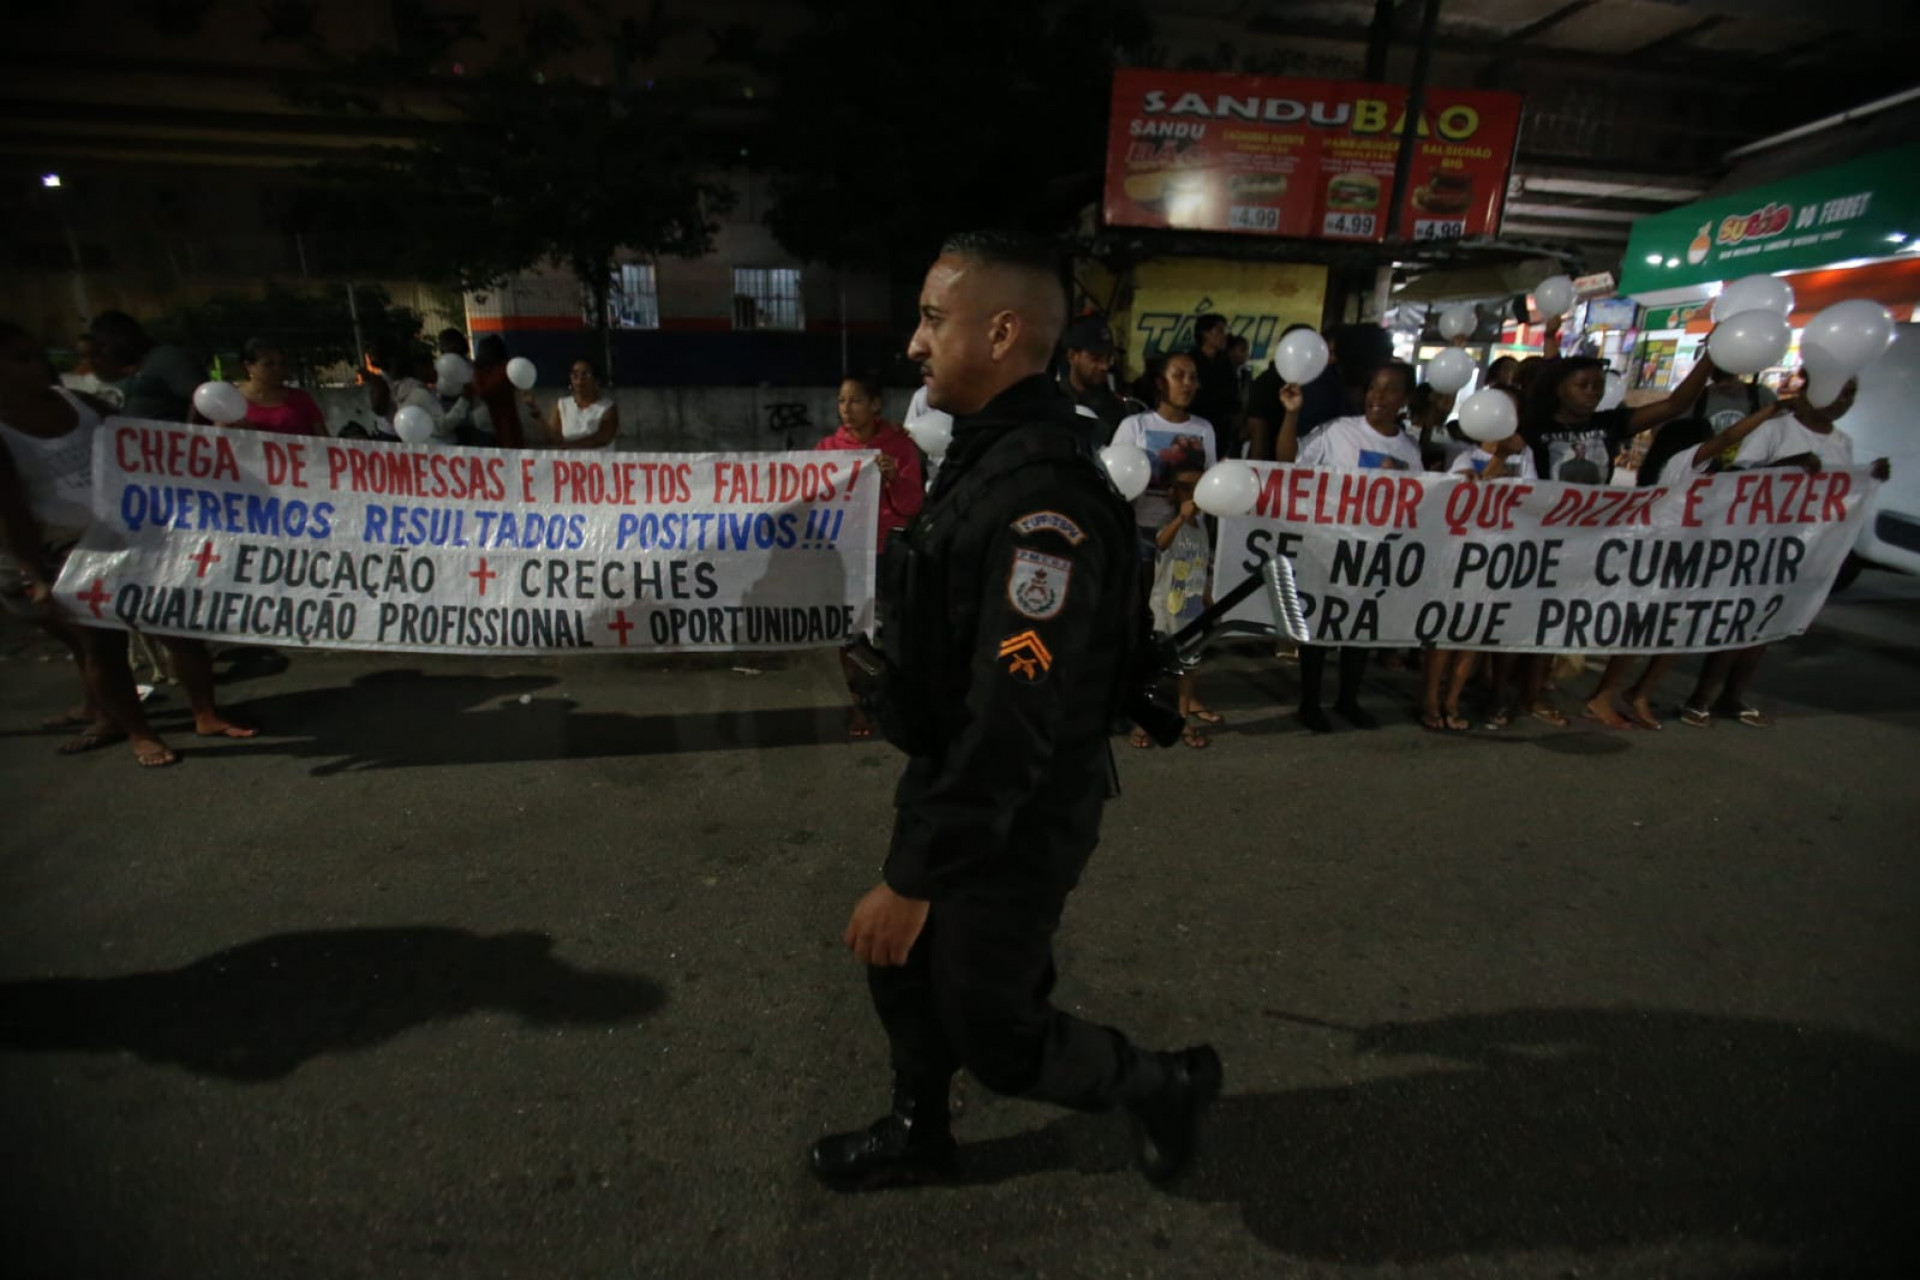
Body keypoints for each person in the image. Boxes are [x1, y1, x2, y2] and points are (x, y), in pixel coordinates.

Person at [811, 229, 1220, 1192]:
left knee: (996, 1029)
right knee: (903, 972)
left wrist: (916, 875)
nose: (913, 344)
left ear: (1000, 333)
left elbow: (1013, 719)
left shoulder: (1044, 499)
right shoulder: (993, 456)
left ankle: (1162, 1085)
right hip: (961, 780)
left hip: (1016, 805)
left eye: (931, 319)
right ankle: (920, 1130)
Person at [0, 323, 254, 766]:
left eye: (36, 354)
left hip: (135, 531)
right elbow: (11, 512)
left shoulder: (77, 403)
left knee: (180, 629)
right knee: (102, 647)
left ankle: (205, 713)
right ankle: (139, 732)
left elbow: (141, 441)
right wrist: (35, 575)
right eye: (20, 359)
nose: (38, 366)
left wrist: (207, 439)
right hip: (73, 549)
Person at [1678, 379, 1890, 729]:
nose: (1844, 401)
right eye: (1839, 389)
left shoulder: (1842, 442)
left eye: (1851, 393)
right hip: (1757, 541)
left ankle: (1732, 697)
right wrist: (1790, 465)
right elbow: (1739, 479)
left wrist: (1869, 478)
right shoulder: (1775, 430)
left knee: (1767, 623)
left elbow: (1835, 491)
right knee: (1737, 621)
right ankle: (1700, 697)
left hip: (1801, 546)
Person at [1521, 353, 1714, 729]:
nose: (1592, 393)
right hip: (1545, 537)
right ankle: (1532, 694)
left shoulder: (1609, 425)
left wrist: (1711, 357)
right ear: (1560, 389)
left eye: (1597, 385)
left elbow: (1675, 404)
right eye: (1583, 385)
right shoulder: (1534, 428)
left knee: (1566, 619)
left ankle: (1544, 688)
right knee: (1542, 621)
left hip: (1594, 538)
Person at [1273, 360, 1422, 732]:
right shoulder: (1338, 432)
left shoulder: (1410, 450)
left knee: (1358, 629)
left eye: (1389, 389)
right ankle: (1309, 703)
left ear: (1404, 399)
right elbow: (1287, 461)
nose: (1378, 396)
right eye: (1374, 387)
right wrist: (1292, 416)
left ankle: (1348, 700)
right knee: (1320, 626)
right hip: (1329, 546)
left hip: (1375, 553)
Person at [817, 373, 924, 739]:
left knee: (893, 633)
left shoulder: (899, 447)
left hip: (886, 554)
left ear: (875, 404)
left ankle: (894, 703)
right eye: (841, 401)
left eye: (856, 400)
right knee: (850, 637)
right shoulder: (828, 450)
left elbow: (912, 505)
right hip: (845, 557)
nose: (846, 409)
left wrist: (894, 477)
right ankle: (860, 707)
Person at [1423, 399, 1535, 731]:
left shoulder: (1525, 458)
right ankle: (1430, 699)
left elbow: (1535, 497)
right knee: (1446, 632)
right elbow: (1465, 504)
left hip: (1499, 555)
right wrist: (1500, 458)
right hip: (1459, 555)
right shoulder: (1463, 458)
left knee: (1472, 634)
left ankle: (1452, 699)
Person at [1111, 352, 1216, 581]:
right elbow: (1115, 480)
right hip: (1141, 530)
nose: (1187, 384)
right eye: (1179, 376)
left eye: (1193, 377)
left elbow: (1209, 484)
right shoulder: (1134, 426)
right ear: (1160, 382)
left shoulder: (1204, 429)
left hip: (1187, 532)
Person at [1129, 467, 1213, 750]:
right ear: (1174, 492)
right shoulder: (1169, 521)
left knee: (1188, 672)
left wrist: (1209, 599)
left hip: (1192, 613)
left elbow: (1202, 566)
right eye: (1187, 488)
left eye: (1198, 487)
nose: (1194, 494)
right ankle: (1143, 722)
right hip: (1165, 611)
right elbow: (1161, 543)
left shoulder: (1202, 527)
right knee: (1154, 670)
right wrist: (1181, 517)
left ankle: (1182, 719)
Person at [87, 311, 202, 421]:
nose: (102, 353)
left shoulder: (166, 358)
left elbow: (200, 400)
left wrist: (189, 434)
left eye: (103, 346)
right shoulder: (117, 376)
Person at [1057, 314, 1142, 434]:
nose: (1104, 366)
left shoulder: (1120, 409)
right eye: (1095, 358)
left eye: (1108, 358)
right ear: (1072, 356)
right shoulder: (1051, 402)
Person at [232, 338, 326, 437]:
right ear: (249, 366)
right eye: (268, 364)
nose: (277, 369)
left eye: (281, 363)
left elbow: (324, 442)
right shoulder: (232, 401)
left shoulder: (301, 400)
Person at [1189, 313, 1242, 459]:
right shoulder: (1191, 361)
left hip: (1221, 428)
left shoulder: (1225, 363)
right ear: (1205, 333)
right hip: (1195, 426)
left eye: (1224, 331)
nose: (1223, 335)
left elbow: (1232, 395)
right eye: (1219, 330)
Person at [545, 358, 621, 450]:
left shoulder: (607, 407)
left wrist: (570, 446)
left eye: (585, 374)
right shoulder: (561, 405)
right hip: (569, 463)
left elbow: (603, 437)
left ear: (596, 380)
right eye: (575, 374)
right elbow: (554, 438)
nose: (580, 378)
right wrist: (535, 410)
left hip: (598, 462)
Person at [470, 335, 527, 449]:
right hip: (500, 419)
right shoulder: (500, 369)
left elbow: (484, 391)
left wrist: (476, 372)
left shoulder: (501, 371)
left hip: (500, 418)